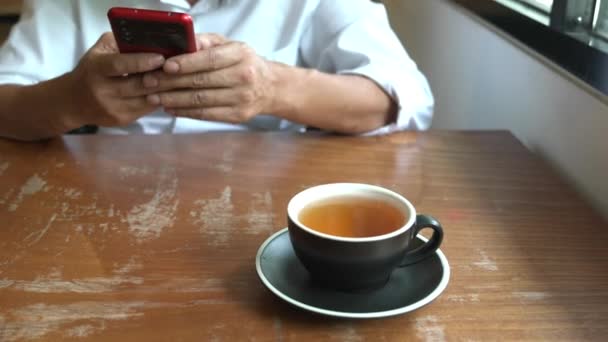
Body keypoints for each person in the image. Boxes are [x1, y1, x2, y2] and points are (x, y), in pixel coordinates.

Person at [0, 0, 434, 141]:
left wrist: (273, 88)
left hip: (275, 209)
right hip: (111, 199)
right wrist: (71, 100)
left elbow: (405, 100)